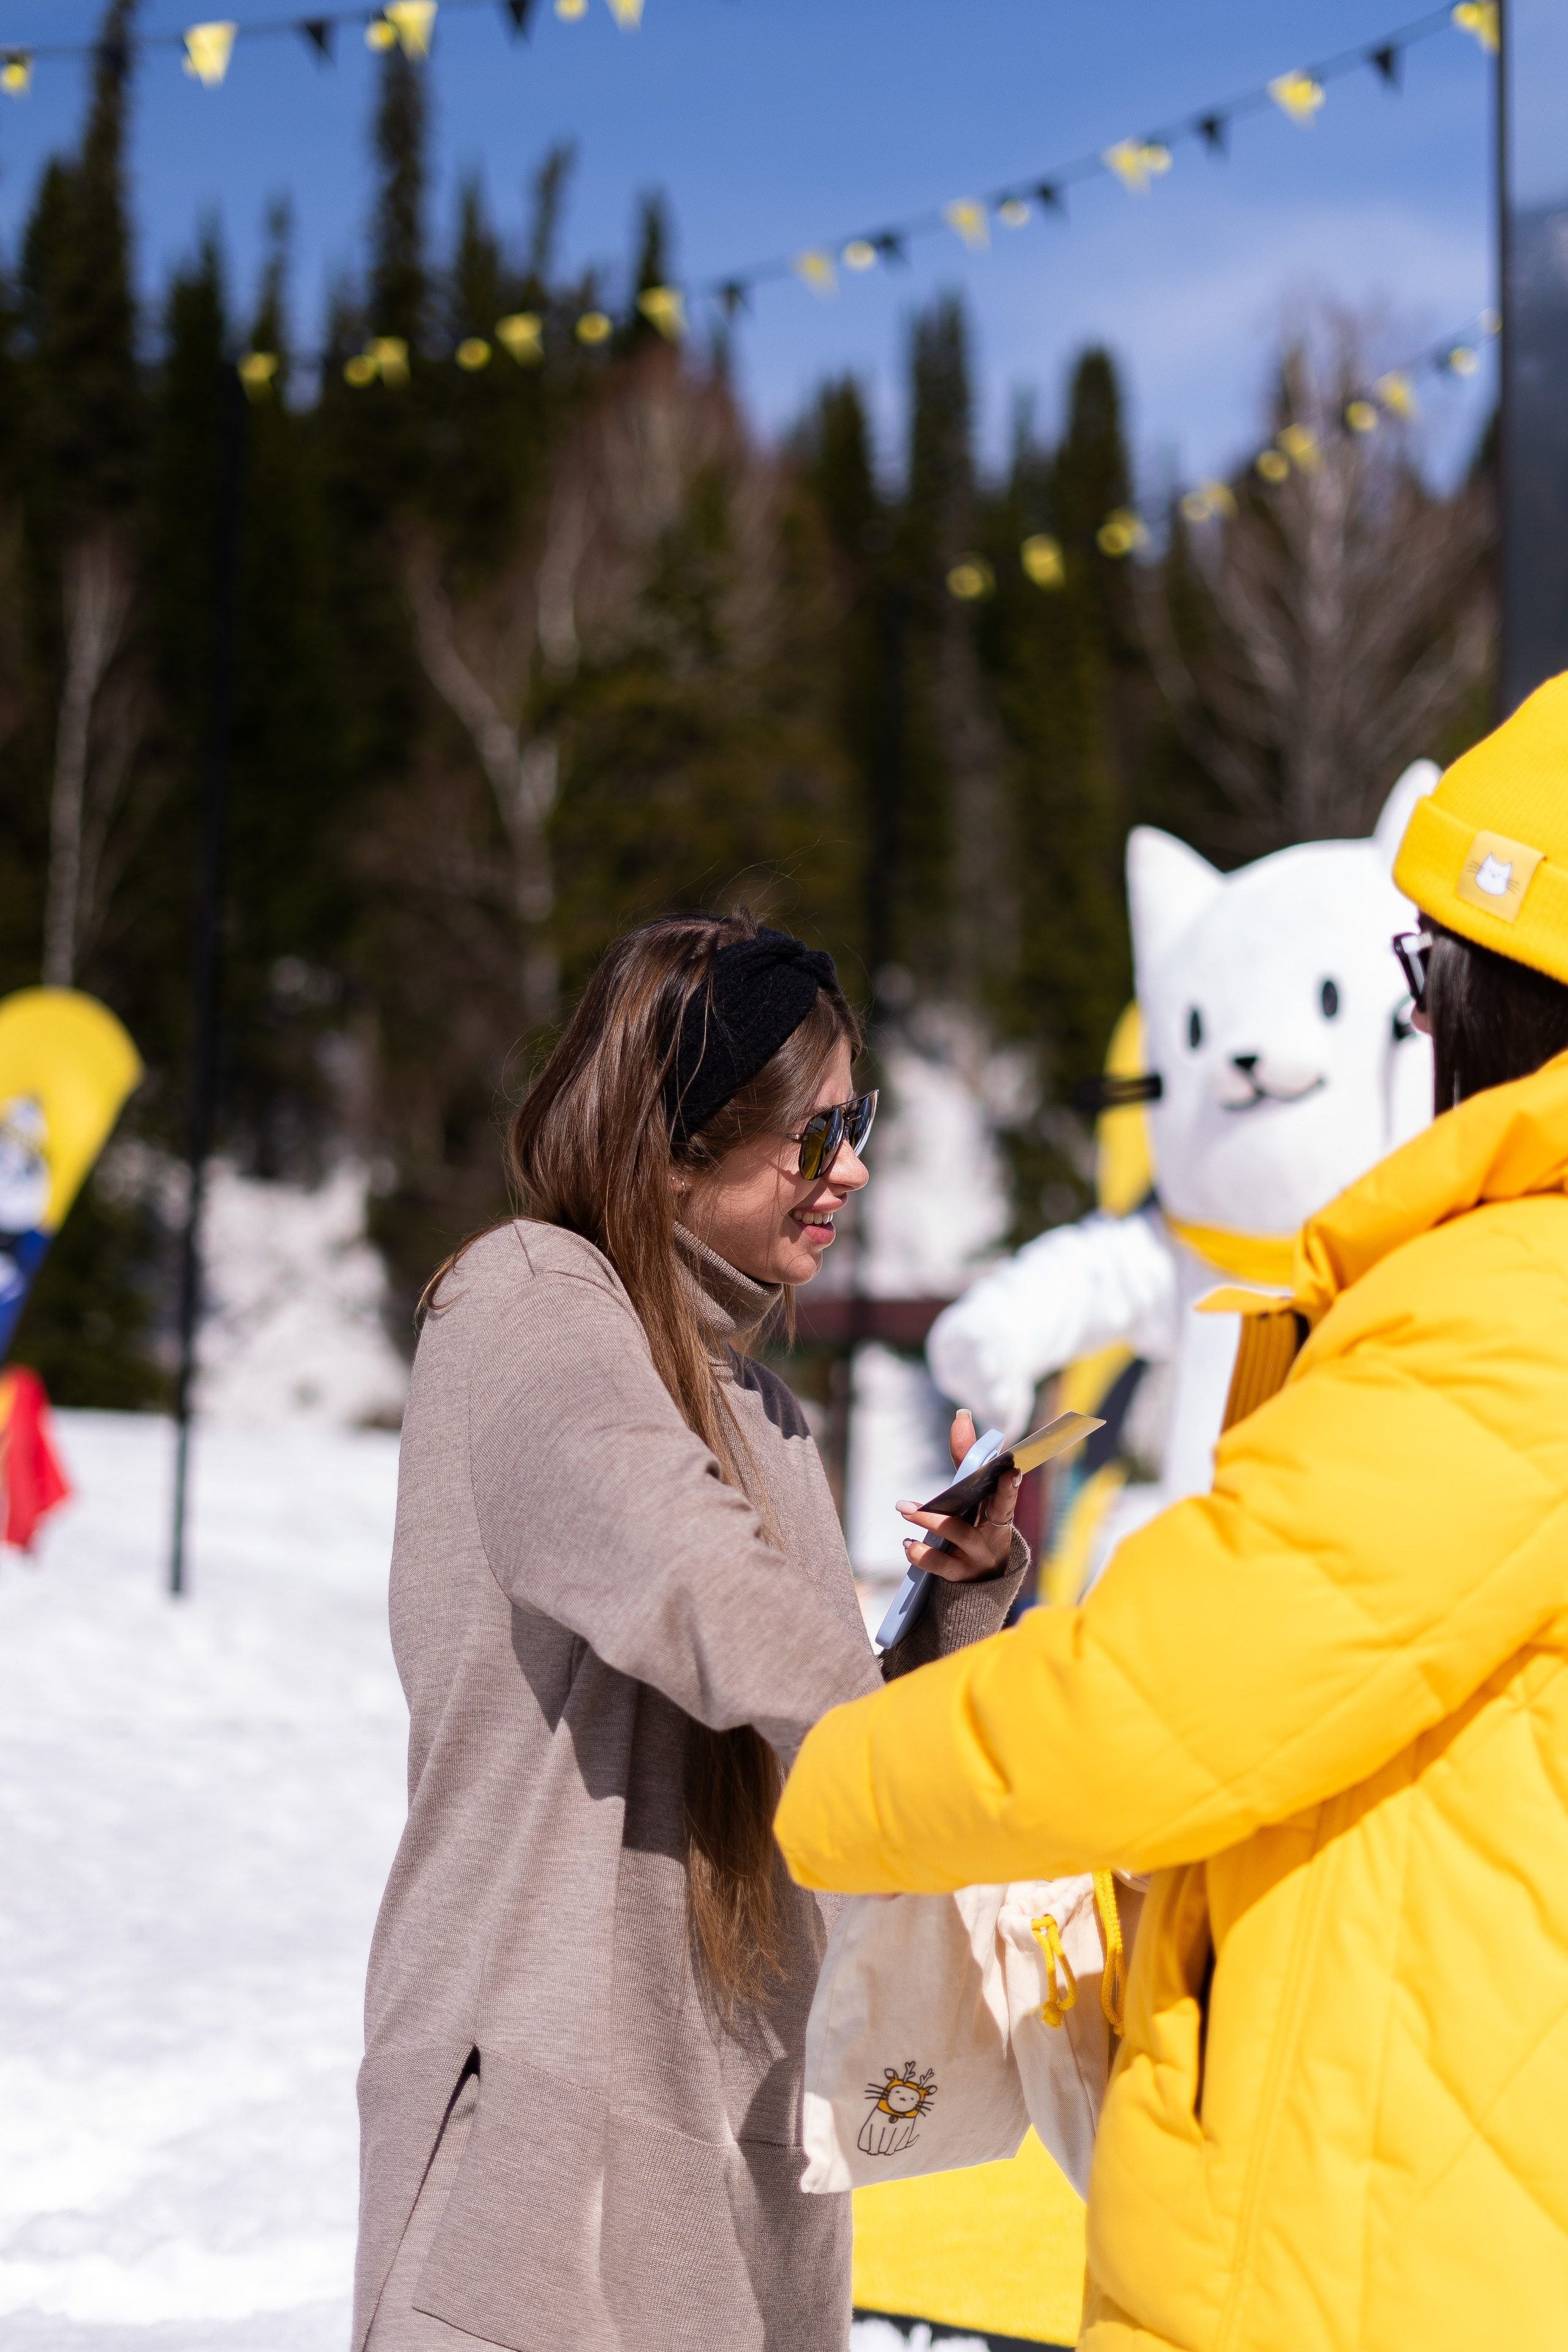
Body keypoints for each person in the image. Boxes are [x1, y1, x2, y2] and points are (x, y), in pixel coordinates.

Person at [774, 676, 1568, 2352]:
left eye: (1431, 977)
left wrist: (808, 1780)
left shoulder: (1516, 1309)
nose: (1419, 1030)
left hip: (1375, 2241)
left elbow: (1164, 1699)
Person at [353, 911, 1030, 2352]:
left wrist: (953, 1614)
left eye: (862, 1120)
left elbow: (804, 1745)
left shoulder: (756, 1404)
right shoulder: (525, 1306)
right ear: (674, 1140)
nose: (850, 1166)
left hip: (732, 2154)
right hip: (545, 2165)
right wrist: (928, 1751)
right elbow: (676, 1573)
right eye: (815, 1131)